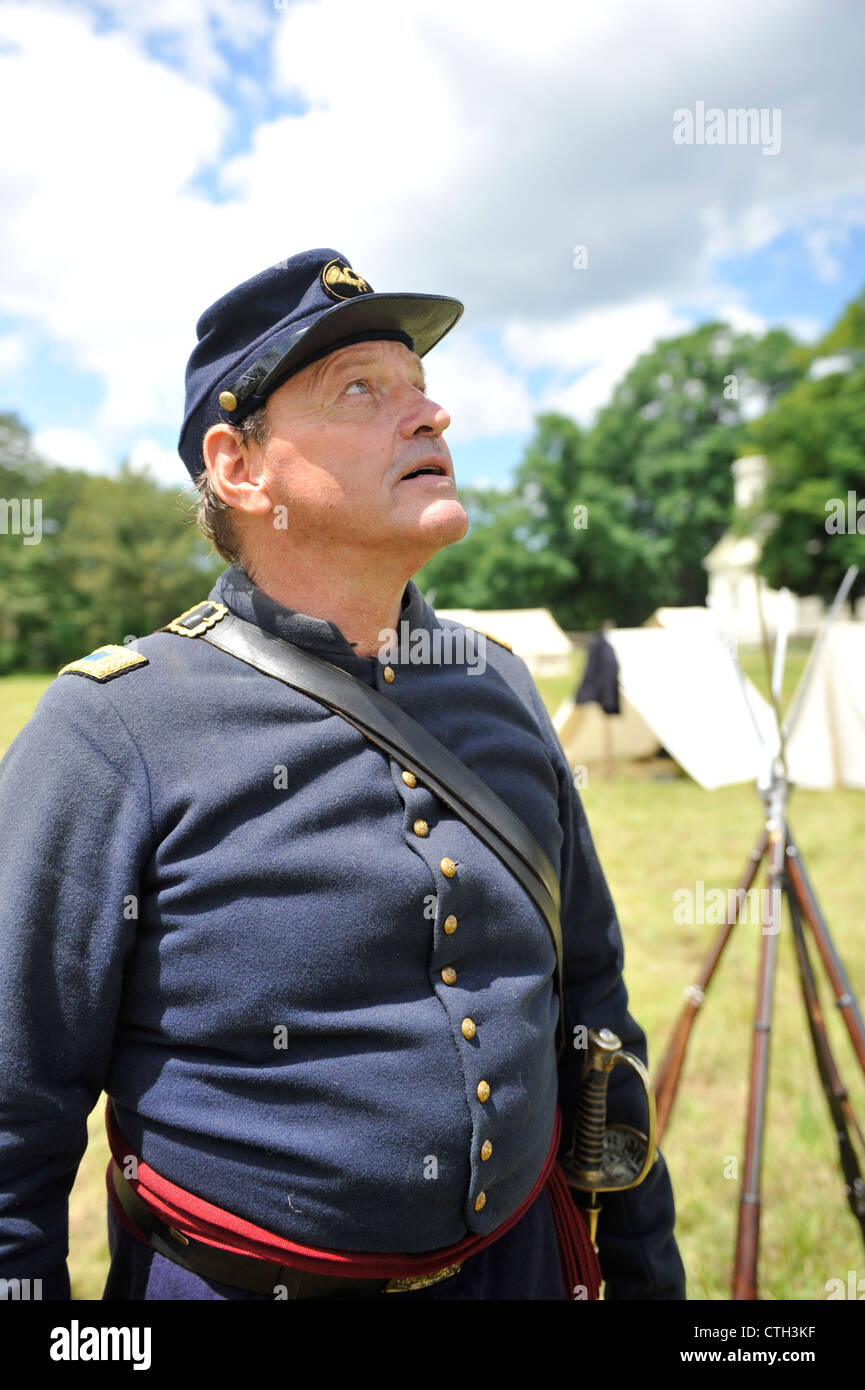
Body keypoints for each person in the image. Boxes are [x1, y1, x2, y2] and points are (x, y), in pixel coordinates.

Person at [0, 249, 686, 1301]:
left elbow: (593, 1021)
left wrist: (644, 1281)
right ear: (241, 467)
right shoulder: (112, 728)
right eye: (362, 390)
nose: (431, 416)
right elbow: (13, 1124)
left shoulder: (499, 689)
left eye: (420, 387)